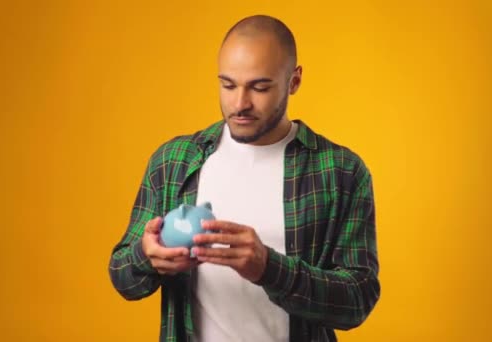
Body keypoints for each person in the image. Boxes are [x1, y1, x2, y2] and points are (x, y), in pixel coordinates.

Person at [109, 14, 380, 342]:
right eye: (228, 85)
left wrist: (268, 268)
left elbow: (357, 301)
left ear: (294, 81)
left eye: (260, 87)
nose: (240, 103)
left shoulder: (342, 172)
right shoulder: (173, 162)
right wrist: (146, 257)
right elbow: (123, 278)